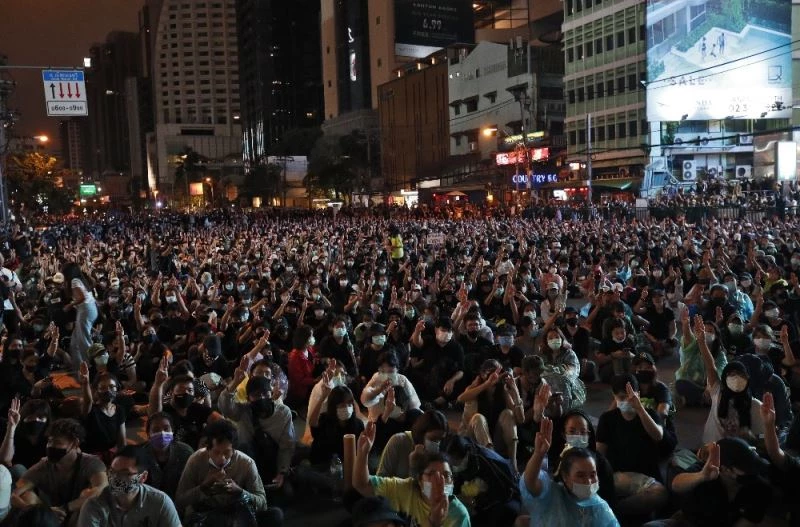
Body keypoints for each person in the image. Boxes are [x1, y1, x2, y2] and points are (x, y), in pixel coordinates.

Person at [353, 421, 471, 527]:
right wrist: (363, 453)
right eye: (432, 474)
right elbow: (363, 485)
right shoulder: (405, 490)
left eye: (446, 475)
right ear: (419, 480)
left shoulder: (458, 516)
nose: (440, 481)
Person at [175, 419, 282, 527]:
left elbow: (262, 503)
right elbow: (180, 501)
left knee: (275, 514)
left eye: (227, 452)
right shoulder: (196, 460)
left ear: (234, 450)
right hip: (205, 514)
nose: (221, 459)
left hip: (236, 512)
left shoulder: (246, 463)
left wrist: (240, 492)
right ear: (208, 448)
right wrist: (203, 488)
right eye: (216, 452)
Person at [519, 417, 619, 527]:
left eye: (592, 475)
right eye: (580, 475)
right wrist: (538, 454)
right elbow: (530, 483)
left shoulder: (599, 507)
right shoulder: (553, 495)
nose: (588, 481)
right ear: (565, 477)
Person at [650, 439, 772, 527]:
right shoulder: (707, 470)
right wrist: (701, 476)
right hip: (688, 521)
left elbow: (748, 521)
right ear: (725, 469)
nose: (753, 471)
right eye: (746, 468)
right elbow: (676, 484)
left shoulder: (760, 489)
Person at [12, 418, 108, 527]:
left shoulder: (91, 463)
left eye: (58, 442)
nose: (51, 446)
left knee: (88, 498)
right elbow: (15, 493)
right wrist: (45, 512)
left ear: (74, 443)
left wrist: (65, 508)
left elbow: (102, 490)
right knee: (27, 496)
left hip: (76, 516)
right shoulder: (44, 465)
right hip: (52, 517)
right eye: (49, 441)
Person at [218, 370, 296, 490]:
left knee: (287, 492)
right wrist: (235, 383)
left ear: (271, 394)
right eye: (256, 395)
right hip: (249, 461)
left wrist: (282, 472)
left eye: (265, 393)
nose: (262, 398)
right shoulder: (244, 411)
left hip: (274, 459)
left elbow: (287, 445)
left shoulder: (283, 413)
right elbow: (225, 407)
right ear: (248, 399)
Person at [694, 316, 766, 444]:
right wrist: (702, 343)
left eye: (740, 375)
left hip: (738, 452)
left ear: (747, 379)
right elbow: (711, 366)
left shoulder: (756, 406)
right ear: (725, 379)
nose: (736, 379)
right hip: (711, 448)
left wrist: (752, 438)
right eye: (732, 375)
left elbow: (762, 439)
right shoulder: (717, 392)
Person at [77, 445, 181, 527]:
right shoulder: (94, 505)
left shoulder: (160, 502)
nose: (114, 477)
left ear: (142, 477)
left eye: (124, 473)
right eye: (112, 471)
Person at [457, 360, 524, 473]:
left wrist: (515, 392)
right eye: (492, 372)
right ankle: (493, 464)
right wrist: (487, 384)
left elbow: (520, 419)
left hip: (494, 441)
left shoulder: (502, 390)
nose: (496, 376)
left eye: (499, 372)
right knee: (478, 418)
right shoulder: (475, 387)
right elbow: (460, 399)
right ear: (483, 374)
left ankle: (513, 465)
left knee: (508, 414)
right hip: (473, 440)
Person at [441, 434, 520, 527]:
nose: (452, 466)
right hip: (479, 503)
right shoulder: (457, 464)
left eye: (454, 462)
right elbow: (456, 487)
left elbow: (504, 492)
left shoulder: (485, 460)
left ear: (465, 454)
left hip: (506, 499)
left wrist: (476, 501)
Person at [148, 358, 223, 450]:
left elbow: (219, 421)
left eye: (190, 390)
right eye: (181, 389)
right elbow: (154, 413)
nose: (186, 392)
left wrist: (207, 437)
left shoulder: (197, 405)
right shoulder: (166, 409)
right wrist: (158, 384)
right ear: (172, 391)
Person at [361, 351, 422, 451]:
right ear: (379, 370)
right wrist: (379, 390)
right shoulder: (375, 379)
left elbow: (414, 407)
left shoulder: (402, 380)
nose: (387, 375)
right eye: (384, 372)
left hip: (399, 421)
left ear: (397, 369)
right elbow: (365, 400)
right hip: (380, 423)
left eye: (391, 372)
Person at [675, 312, 727, 407]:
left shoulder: (720, 355)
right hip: (691, 383)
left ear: (716, 336)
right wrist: (686, 325)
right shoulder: (694, 346)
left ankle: (699, 399)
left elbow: (718, 376)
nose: (705, 333)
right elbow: (688, 338)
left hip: (710, 386)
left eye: (710, 331)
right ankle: (703, 399)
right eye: (703, 330)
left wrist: (709, 388)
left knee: (721, 389)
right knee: (680, 384)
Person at [377, 410, 449, 479]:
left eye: (440, 439)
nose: (437, 444)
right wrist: (413, 466)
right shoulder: (399, 441)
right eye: (433, 439)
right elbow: (380, 479)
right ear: (421, 434)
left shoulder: (436, 454)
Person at [139, 412, 194, 497]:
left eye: (166, 428)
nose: (162, 433)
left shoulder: (185, 452)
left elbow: (192, 482)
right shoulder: (140, 455)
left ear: (172, 431)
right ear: (148, 434)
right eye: (156, 430)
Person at [308, 383, 364, 465]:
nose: (346, 407)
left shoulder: (358, 424)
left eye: (349, 403)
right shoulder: (324, 420)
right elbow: (312, 423)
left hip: (347, 465)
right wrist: (322, 397)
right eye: (342, 404)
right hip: (323, 464)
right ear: (333, 406)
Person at [0, 398, 51, 475]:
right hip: (17, 476)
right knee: (18, 469)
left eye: (41, 418)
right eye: (30, 417)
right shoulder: (16, 435)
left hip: (39, 477)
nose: (36, 420)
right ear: (22, 418)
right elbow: (4, 461)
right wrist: (11, 427)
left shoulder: (49, 440)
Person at [62, 262, 97, 367]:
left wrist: (70, 305)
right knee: (75, 343)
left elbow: (82, 297)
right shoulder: (80, 280)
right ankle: (79, 367)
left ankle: (91, 366)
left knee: (84, 341)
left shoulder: (74, 281)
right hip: (89, 309)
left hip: (85, 310)